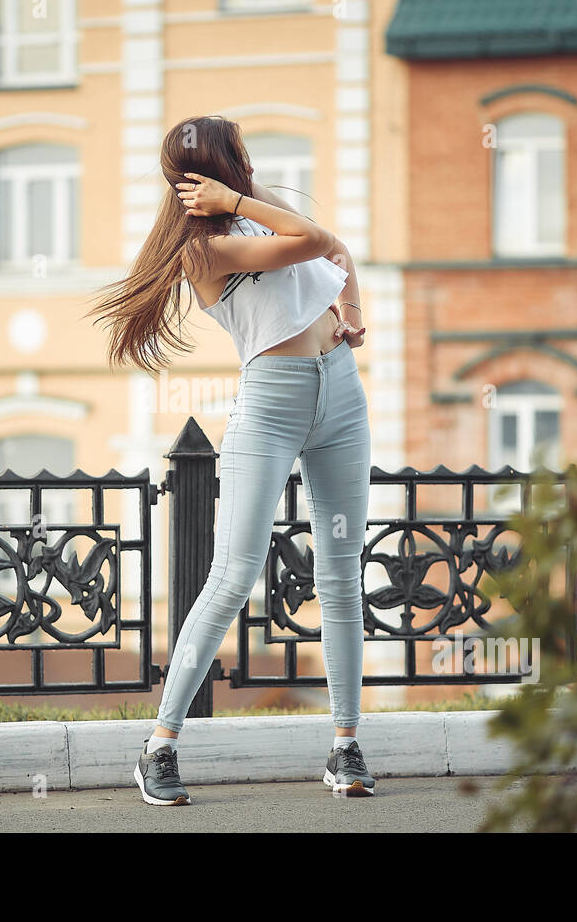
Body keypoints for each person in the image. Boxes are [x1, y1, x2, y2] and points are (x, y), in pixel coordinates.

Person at [87, 115, 374, 805]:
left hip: (341, 392)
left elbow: (335, 255)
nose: (248, 158)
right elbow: (313, 240)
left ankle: (345, 746)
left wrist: (352, 309)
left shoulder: (257, 218)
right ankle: (159, 744)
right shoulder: (204, 251)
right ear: (218, 168)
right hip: (270, 404)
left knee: (340, 575)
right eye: (237, 154)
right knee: (233, 574)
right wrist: (235, 205)